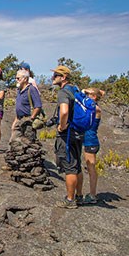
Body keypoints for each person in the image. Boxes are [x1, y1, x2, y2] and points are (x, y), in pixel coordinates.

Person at [51, 65, 84, 209]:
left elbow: (64, 112)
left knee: (70, 167)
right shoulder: (74, 89)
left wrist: (61, 126)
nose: (53, 78)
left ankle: (70, 200)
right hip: (78, 133)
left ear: (63, 77)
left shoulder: (63, 92)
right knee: (77, 166)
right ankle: (79, 195)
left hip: (68, 134)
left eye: (56, 75)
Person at [81, 87, 105, 204]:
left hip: (91, 142)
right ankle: (92, 193)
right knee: (90, 168)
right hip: (89, 141)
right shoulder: (92, 107)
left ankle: (93, 195)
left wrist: (82, 93)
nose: (86, 96)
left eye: (88, 94)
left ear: (94, 97)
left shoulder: (95, 109)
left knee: (91, 169)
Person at [11, 69, 43, 133]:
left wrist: (31, 118)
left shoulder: (31, 89)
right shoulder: (19, 91)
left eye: (18, 78)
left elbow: (38, 106)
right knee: (14, 141)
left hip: (27, 122)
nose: (16, 80)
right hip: (19, 120)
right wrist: (15, 122)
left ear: (25, 79)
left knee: (28, 141)